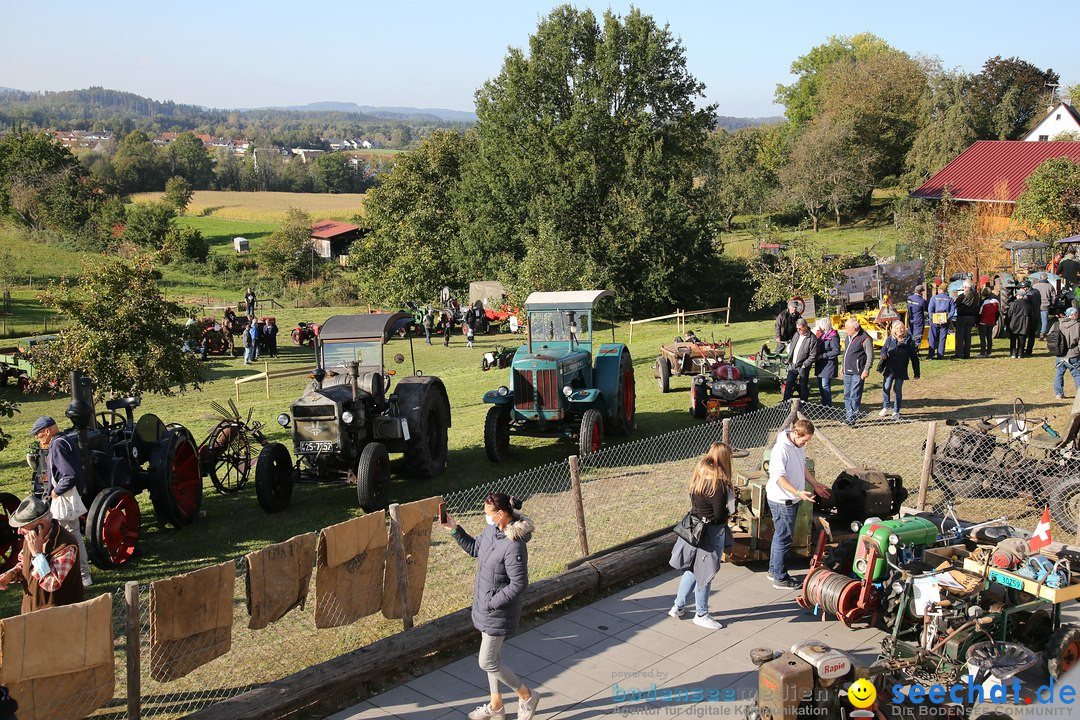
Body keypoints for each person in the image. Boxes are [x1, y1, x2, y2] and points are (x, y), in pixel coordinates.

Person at [442, 494, 540, 720]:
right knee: (492, 661)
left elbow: (519, 584)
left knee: (486, 661)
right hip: (486, 609)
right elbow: (475, 549)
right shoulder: (491, 532)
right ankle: (496, 707)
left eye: (487, 514)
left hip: (498, 612)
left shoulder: (514, 547)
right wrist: (454, 529)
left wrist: (492, 603)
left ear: (500, 515)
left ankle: (527, 696)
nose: (485, 518)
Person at [667, 442, 734, 629]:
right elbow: (720, 515)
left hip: (694, 528)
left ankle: (678, 606)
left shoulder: (699, 477)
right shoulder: (718, 485)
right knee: (705, 573)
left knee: (692, 570)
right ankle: (701, 613)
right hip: (711, 533)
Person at [766, 419, 830, 589]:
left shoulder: (798, 446)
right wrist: (797, 492)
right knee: (784, 538)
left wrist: (815, 484)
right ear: (795, 433)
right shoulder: (781, 450)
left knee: (780, 535)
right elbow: (778, 478)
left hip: (791, 498)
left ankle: (774, 570)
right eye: (805, 440)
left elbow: (802, 467)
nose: (806, 443)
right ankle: (780, 578)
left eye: (808, 440)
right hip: (782, 500)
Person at [28, 416, 92, 587]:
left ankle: (83, 575)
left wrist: (56, 491)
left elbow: (69, 474)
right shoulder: (66, 440)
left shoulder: (57, 445)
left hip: (64, 497)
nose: (38, 439)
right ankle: (80, 574)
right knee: (72, 534)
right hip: (68, 495)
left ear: (47, 431)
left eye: (39, 435)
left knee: (72, 536)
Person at [0, 495, 86, 613]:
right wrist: (11, 574)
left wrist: (37, 554)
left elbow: (52, 583)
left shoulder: (66, 545)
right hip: (32, 613)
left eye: (23, 526)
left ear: (40, 526)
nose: (19, 531)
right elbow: (25, 564)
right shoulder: (30, 537)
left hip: (60, 617)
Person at [879, 321, 920, 421]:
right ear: (894, 330)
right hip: (889, 368)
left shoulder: (909, 340)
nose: (899, 330)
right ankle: (886, 406)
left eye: (901, 328)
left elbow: (914, 357)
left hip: (901, 370)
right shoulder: (890, 339)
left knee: (897, 390)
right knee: (886, 387)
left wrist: (916, 372)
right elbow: (883, 349)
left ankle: (896, 411)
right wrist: (883, 355)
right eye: (897, 328)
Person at [841, 318, 874, 425]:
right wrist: (842, 366)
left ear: (854, 328)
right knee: (847, 394)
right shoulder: (848, 337)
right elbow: (845, 352)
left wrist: (866, 370)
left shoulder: (865, 338)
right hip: (847, 371)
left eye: (847, 328)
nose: (845, 330)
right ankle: (848, 415)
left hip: (857, 372)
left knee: (854, 395)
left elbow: (870, 355)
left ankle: (851, 418)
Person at [782, 319, 818, 402]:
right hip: (792, 365)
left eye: (800, 328)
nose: (798, 330)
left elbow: (813, 355)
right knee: (789, 384)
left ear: (805, 327)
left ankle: (803, 403)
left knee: (803, 385)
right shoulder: (797, 334)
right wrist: (789, 359)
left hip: (802, 367)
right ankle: (785, 403)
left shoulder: (812, 338)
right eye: (797, 328)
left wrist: (804, 365)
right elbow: (792, 346)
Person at [1053, 307, 1080, 399]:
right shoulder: (1078, 325)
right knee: (1077, 374)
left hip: (1060, 354)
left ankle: (1058, 393)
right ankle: (1079, 393)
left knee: (1059, 373)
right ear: (1073, 315)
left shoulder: (1058, 324)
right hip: (1073, 354)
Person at [813, 318, 840, 407]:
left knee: (825, 386)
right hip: (821, 365)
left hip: (828, 365)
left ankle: (828, 406)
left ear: (824, 327)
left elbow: (836, 351)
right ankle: (823, 404)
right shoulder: (822, 336)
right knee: (820, 386)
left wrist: (823, 355)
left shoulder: (833, 337)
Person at [926, 286, 955, 360]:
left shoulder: (933, 298)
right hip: (945, 319)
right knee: (942, 338)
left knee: (932, 337)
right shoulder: (950, 299)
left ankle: (931, 355)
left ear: (939, 290)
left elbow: (930, 310)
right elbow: (952, 311)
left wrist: (933, 318)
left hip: (935, 319)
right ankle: (940, 355)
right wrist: (946, 318)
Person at [953, 281, 979, 359]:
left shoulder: (962, 295)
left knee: (960, 336)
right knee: (968, 336)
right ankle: (967, 354)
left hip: (962, 317)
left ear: (965, 287)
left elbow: (956, 304)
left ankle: (959, 353)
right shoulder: (976, 296)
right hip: (971, 317)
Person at [1007, 289, 1032, 359]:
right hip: (1024, 323)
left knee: (1013, 340)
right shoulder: (1028, 304)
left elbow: (1009, 314)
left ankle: (1013, 353)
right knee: (1022, 339)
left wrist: (1007, 323)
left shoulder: (1013, 304)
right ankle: (1020, 353)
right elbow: (1030, 314)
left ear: (1018, 295)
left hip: (1014, 323)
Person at [978, 288, 1000, 358]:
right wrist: (995, 320)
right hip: (992, 321)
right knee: (989, 337)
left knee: (982, 338)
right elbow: (998, 312)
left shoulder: (983, 302)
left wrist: (978, 321)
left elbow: (980, 313)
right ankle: (989, 352)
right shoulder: (996, 301)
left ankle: (982, 352)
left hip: (983, 322)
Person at [1033, 273, 1056, 339]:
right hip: (1045, 305)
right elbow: (1053, 296)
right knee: (1044, 320)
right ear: (1047, 278)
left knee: (1035, 320)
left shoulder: (1035, 286)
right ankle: (1043, 333)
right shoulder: (1050, 286)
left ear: (1040, 278)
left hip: (1036, 305)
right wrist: (1052, 303)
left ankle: (1034, 331)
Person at [906, 285, 927, 356]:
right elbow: (926, 309)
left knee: (910, 335)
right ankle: (914, 351)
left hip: (910, 319)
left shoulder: (909, 298)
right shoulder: (922, 301)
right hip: (918, 320)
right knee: (917, 335)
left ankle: (908, 350)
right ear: (921, 292)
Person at [1024, 280, 1041, 356]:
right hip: (1036, 315)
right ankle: (1029, 350)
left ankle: (1022, 349)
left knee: (1024, 334)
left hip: (1030, 316)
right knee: (1032, 335)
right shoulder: (1036, 292)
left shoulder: (1029, 295)